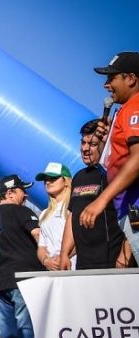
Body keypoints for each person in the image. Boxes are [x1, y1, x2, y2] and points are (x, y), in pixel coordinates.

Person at [82, 52, 139, 265]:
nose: (106, 85)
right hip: (129, 206)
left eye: (112, 78)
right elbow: (111, 161)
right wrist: (105, 141)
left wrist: (101, 199)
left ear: (131, 79)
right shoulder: (124, 110)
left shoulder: (135, 106)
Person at [0, 174, 42, 338]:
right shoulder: (23, 212)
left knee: (7, 333)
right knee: (26, 329)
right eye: (22, 190)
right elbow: (39, 235)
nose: (26, 194)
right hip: (24, 279)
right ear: (10, 192)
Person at [60, 120, 127, 270]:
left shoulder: (117, 174)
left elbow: (132, 213)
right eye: (83, 143)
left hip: (115, 262)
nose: (85, 149)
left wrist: (125, 254)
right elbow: (72, 217)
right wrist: (64, 253)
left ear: (105, 144)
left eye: (93, 144)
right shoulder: (78, 177)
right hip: (84, 264)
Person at [35, 162, 75, 270]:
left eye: (53, 178)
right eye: (45, 179)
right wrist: (45, 260)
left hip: (74, 268)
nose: (48, 182)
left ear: (66, 181)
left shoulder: (74, 207)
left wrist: (64, 256)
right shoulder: (44, 214)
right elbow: (41, 246)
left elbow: (83, 239)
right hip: (53, 272)